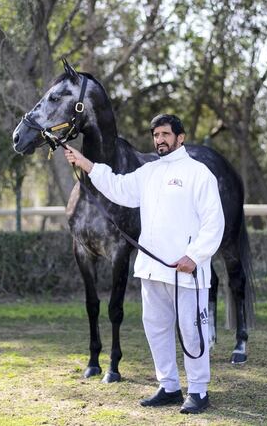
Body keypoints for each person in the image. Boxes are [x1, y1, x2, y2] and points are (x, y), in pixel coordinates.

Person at [63, 113, 224, 414]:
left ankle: (199, 391)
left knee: (191, 332)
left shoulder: (198, 173)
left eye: (165, 134)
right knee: (156, 329)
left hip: (185, 271)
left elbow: (214, 223)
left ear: (180, 137)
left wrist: (195, 255)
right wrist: (85, 164)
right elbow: (117, 186)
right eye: (155, 135)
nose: (159, 140)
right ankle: (169, 386)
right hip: (152, 270)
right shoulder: (148, 173)